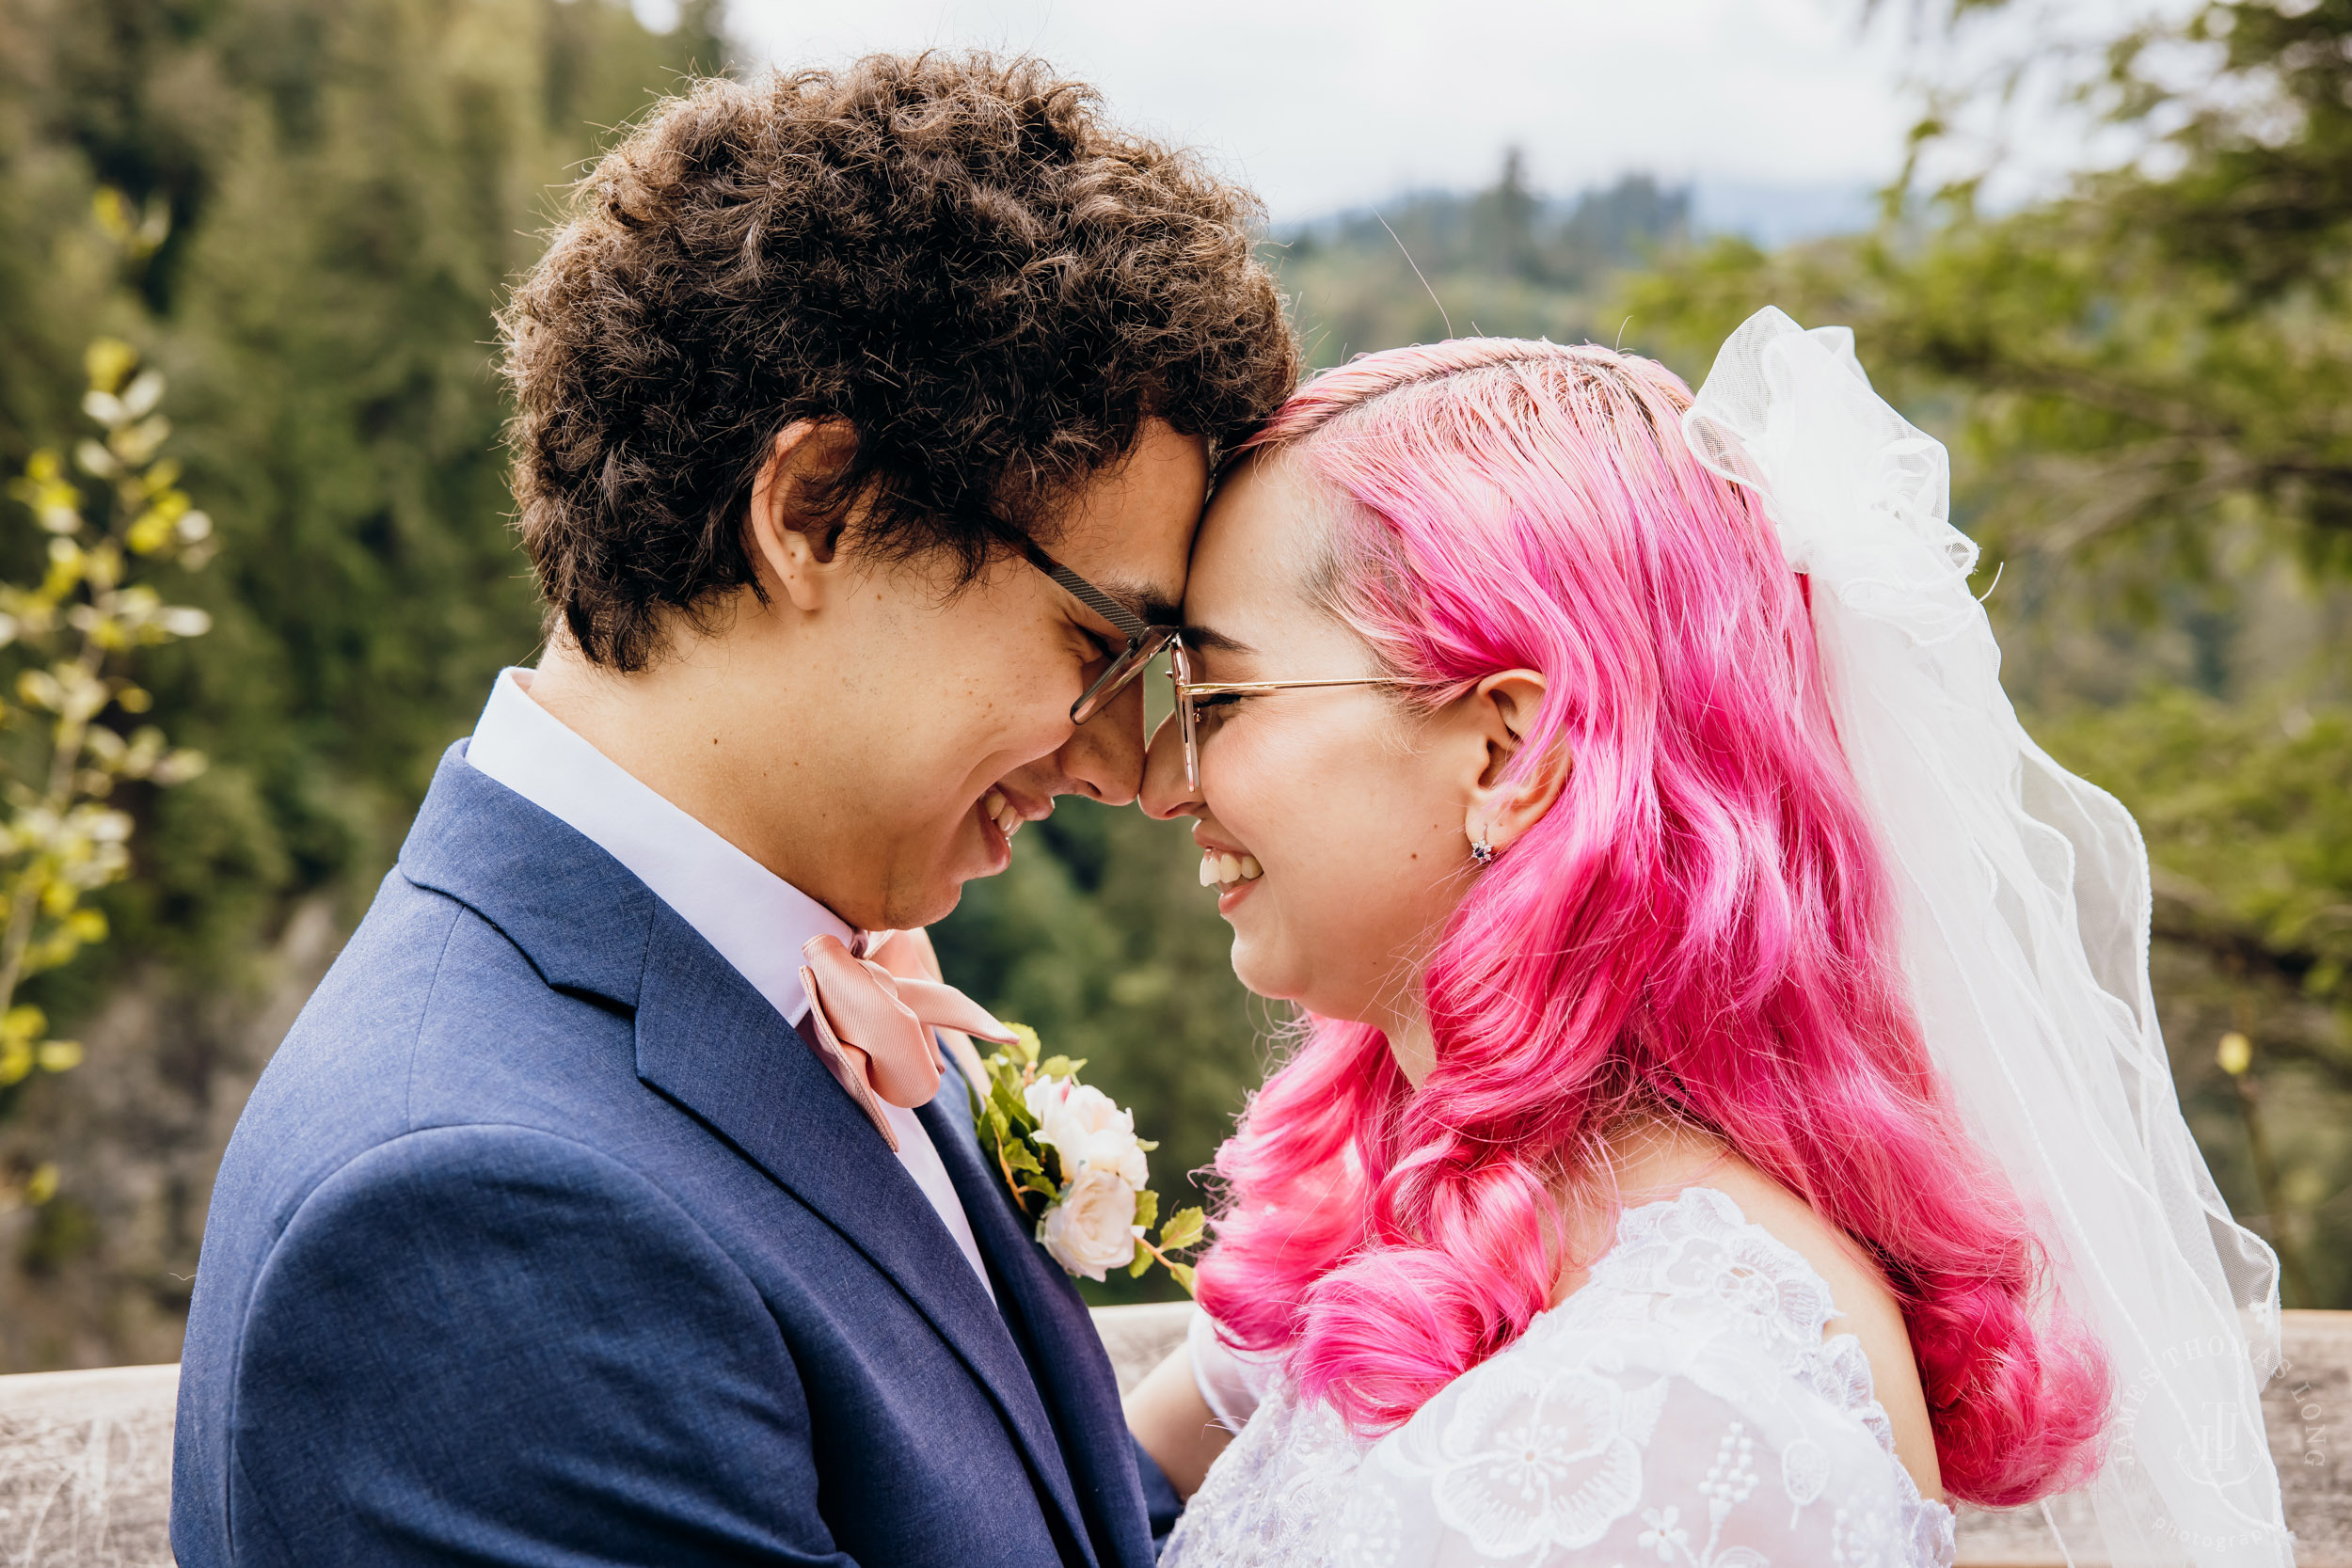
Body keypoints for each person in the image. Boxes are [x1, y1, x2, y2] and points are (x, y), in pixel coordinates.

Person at [170, 55, 1296, 1567]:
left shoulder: (792, 981)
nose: (1130, 769)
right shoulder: (481, 1216)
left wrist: (1328, 1352)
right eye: (1099, 648)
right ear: (813, 508)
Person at [1125, 319, 2293, 1567]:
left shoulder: (1678, 1409)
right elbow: (1074, 1492)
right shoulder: (1452, 1222)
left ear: (1507, 753)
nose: (1156, 780)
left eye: (1217, 702)